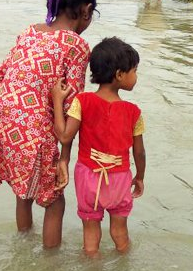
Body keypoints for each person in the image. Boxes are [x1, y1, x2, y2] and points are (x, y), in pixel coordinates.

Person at [0, 0, 96, 248]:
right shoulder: (76, 46)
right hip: (36, 132)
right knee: (55, 201)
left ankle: (22, 245)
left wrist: (20, 109)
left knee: (24, 193)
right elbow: (73, 107)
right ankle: (49, 268)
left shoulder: (30, 31)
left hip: (4, 125)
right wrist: (63, 160)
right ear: (86, 11)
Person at [51, 37, 146, 256]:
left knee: (91, 235)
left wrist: (57, 100)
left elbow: (65, 136)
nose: (136, 76)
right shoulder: (134, 112)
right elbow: (139, 152)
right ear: (119, 75)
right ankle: (124, 269)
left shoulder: (82, 102)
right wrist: (139, 176)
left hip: (88, 178)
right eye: (134, 70)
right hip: (120, 178)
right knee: (120, 233)